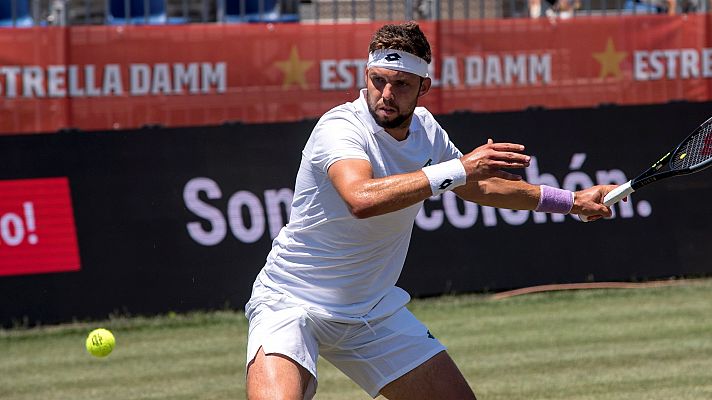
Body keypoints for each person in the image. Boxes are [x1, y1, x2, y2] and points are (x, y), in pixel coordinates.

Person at [245, 21, 614, 400]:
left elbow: (479, 185)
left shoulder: (426, 130)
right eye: (378, 80)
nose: (386, 94)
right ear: (366, 75)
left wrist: (571, 202)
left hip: (372, 312)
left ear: (424, 87)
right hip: (291, 303)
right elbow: (361, 198)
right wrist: (456, 169)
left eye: (401, 84)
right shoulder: (339, 128)